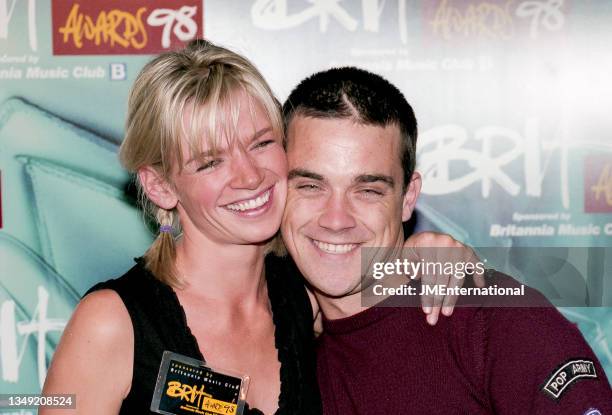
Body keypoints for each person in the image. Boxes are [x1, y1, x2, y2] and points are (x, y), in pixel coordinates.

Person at [41, 41, 477, 414]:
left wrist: (434, 248)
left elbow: (395, 303)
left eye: (262, 143)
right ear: (159, 185)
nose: (250, 177)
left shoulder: (306, 297)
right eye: (210, 161)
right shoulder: (112, 324)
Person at [280, 66, 612, 414]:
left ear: (408, 198)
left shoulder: (496, 320)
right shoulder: (283, 347)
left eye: (367, 191)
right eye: (310, 186)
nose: (336, 219)